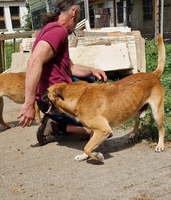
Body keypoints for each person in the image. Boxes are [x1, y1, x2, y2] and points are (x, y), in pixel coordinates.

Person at [18, 0, 107, 145]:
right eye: (77, 18)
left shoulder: (51, 29)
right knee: (102, 130)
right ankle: (56, 126)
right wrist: (28, 103)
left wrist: (92, 70)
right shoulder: (58, 31)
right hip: (53, 100)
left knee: (90, 80)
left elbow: (70, 67)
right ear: (74, 13)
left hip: (57, 95)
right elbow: (34, 61)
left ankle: (58, 122)